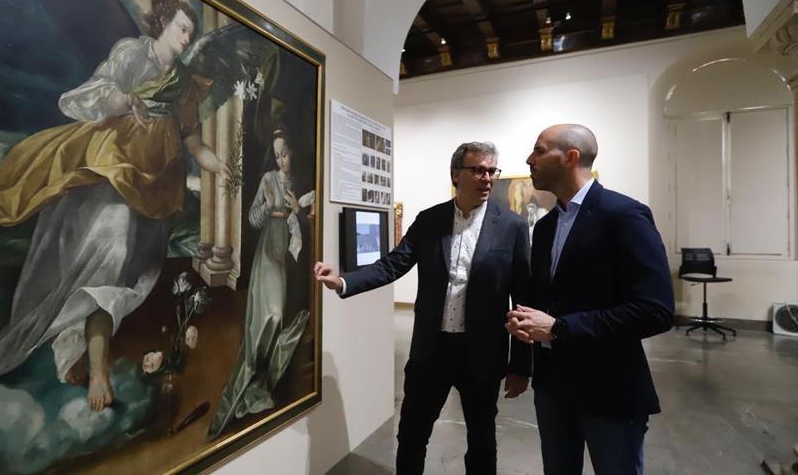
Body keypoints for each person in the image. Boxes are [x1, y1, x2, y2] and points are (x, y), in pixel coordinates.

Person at [0, 0, 224, 411]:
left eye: (191, 31)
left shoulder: (183, 84)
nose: (187, 36)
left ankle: (77, 352)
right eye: (183, 28)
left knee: (124, 273)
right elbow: (93, 94)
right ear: (163, 24)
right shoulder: (131, 55)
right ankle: (98, 370)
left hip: (152, 190)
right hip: (110, 176)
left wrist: (220, 167)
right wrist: (128, 102)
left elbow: (194, 142)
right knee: (106, 262)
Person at [315, 141, 531, 475]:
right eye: (478, 170)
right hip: (432, 351)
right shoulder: (430, 221)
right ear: (456, 175)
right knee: (412, 435)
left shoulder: (512, 226)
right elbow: (392, 265)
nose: (486, 178)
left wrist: (521, 364)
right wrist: (343, 281)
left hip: (482, 353)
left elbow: (523, 297)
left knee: (482, 440)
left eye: (491, 171)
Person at [506, 124, 674, 475]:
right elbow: (545, 300)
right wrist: (524, 339)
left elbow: (655, 310)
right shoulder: (547, 225)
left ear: (571, 157)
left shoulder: (624, 214)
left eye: (538, 150)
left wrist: (559, 327)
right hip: (552, 387)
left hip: (608, 389)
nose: (528, 159)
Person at [208, 130, 312, 438]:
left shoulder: (301, 181)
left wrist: (297, 212)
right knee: (270, 315)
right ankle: (254, 379)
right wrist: (268, 206)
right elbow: (253, 219)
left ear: (293, 153)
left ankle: (268, 381)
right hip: (269, 247)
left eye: (285, 154)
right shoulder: (268, 179)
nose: (281, 160)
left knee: (285, 315)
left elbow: (309, 215)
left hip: (293, 254)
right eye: (277, 154)